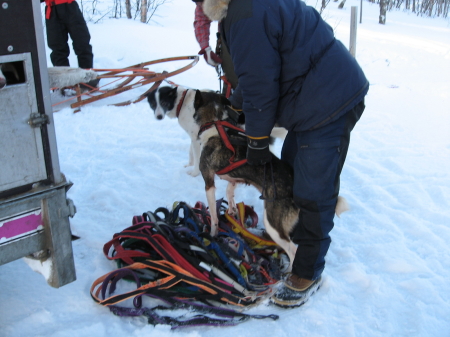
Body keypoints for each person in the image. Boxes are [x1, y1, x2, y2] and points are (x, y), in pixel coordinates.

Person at [202, 0, 369, 307]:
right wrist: (237, 107)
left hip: (330, 100)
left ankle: (307, 272)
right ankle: (292, 242)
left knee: (311, 191)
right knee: (290, 175)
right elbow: (258, 72)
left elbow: (261, 83)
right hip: (310, 97)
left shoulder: (246, 14)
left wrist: (256, 140)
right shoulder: (242, 10)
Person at [42, 0, 99, 91]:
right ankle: (64, 83)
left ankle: (88, 80)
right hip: (52, 10)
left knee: (82, 42)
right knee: (57, 48)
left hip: (70, 7)